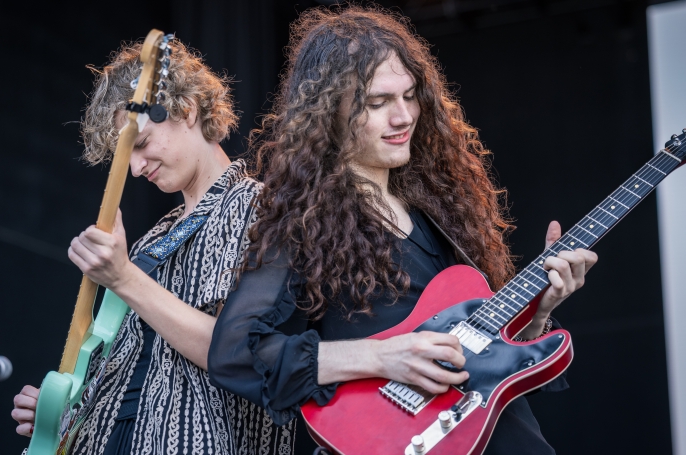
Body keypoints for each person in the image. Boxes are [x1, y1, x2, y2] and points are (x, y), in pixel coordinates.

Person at [207, 6, 598, 455]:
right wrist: (381, 355)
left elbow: (492, 362)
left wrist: (538, 315)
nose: (403, 116)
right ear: (328, 113)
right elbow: (236, 353)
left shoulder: (441, 211)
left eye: (410, 96)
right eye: (377, 103)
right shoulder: (303, 224)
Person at [10, 39, 294, 455]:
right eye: (124, 157)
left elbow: (245, 354)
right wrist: (63, 415)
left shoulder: (268, 211)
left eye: (140, 144)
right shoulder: (153, 240)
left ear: (187, 110)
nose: (136, 168)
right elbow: (131, 371)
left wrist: (125, 278)